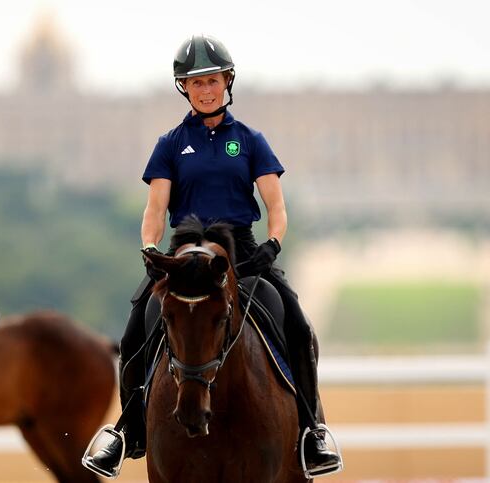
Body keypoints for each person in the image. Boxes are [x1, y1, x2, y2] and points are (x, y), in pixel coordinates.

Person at [85, 34, 342, 477]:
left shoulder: (250, 140)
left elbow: (276, 207)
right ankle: (128, 430)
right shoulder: (169, 144)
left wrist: (272, 245)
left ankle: (312, 430)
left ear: (227, 82)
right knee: (133, 334)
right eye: (196, 82)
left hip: (240, 252)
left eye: (213, 81)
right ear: (184, 88)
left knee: (297, 323)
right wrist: (150, 249)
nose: (206, 89)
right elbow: (155, 210)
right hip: (183, 256)